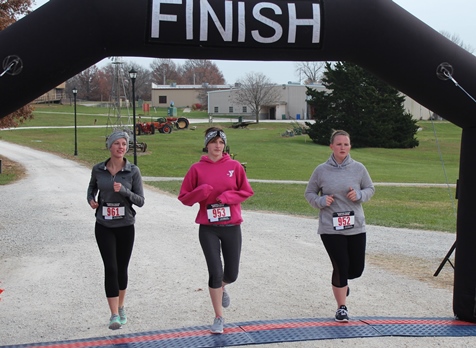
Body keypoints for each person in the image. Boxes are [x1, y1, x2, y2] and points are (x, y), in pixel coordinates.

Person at [178, 127, 254, 334]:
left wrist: (228, 198)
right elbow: (184, 198)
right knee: (214, 272)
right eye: (213, 142)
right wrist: (201, 192)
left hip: (231, 226)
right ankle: (219, 317)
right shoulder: (196, 169)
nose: (217, 146)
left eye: (221, 142)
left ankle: (222, 286)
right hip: (208, 228)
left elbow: (246, 191)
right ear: (207, 144)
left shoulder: (235, 166)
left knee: (232, 273)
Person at [304, 130, 375, 323]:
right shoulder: (321, 170)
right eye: (339, 144)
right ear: (331, 147)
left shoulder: (359, 169)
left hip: (355, 226)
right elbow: (309, 193)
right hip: (330, 227)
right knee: (340, 266)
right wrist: (321, 200)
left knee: (356, 270)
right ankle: (341, 307)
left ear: (350, 146)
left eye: (346, 144)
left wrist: (359, 195)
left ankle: (342, 285)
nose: (342, 147)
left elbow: (370, 189)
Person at [87, 130, 145, 330]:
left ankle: (121, 307)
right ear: (110, 146)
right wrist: (91, 200)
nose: (121, 147)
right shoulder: (98, 169)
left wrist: (125, 191)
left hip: (125, 226)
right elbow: (91, 189)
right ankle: (113, 315)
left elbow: (141, 201)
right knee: (110, 267)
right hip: (104, 225)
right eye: (117, 144)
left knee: (121, 268)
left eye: (124, 144)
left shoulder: (132, 171)